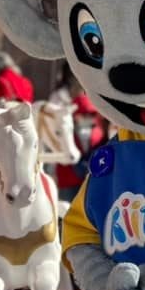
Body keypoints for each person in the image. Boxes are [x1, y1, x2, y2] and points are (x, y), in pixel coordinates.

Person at [49, 62, 106, 202]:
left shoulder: (98, 133)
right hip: (68, 181)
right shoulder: (68, 131)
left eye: (90, 115)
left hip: (89, 181)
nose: (87, 118)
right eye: (84, 114)